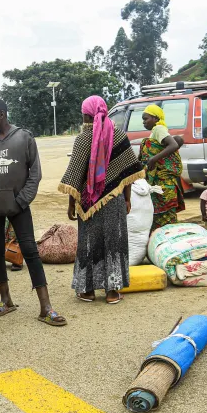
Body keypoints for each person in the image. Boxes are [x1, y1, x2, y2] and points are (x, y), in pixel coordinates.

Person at [0, 98, 66, 326]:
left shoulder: (24, 137)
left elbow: (35, 174)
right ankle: (6, 301)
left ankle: (46, 307)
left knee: (30, 251)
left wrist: (21, 201)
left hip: (19, 206)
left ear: (2, 114)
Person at [60, 96, 145, 304]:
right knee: (114, 242)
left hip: (89, 203)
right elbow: (127, 172)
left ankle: (87, 290)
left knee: (89, 243)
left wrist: (72, 204)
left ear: (86, 114)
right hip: (114, 200)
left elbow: (74, 176)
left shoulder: (82, 139)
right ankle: (112, 292)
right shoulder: (118, 135)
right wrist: (126, 199)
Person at [138, 104, 184, 231]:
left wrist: (153, 159)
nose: (143, 122)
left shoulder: (158, 129)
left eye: (146, 118)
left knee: (165, 218)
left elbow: (173, 145)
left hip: (164, 182)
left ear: (155, 118)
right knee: (162, 218)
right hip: (159, 182)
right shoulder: (156, 132)